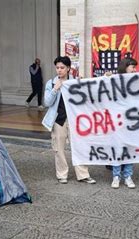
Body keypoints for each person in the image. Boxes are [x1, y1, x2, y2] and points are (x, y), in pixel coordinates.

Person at [42, 56, 96, 184]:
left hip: (74, 120)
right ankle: (62, 174)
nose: (59, 70)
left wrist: (81, 84)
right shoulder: (51, 83)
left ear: (68, 69)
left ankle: (83, 174)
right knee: (58, 148)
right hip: (58, 120)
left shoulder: (74, 82)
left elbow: (84, 98)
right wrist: (55, 89)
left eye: (62, 68)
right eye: (57, 67)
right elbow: (47, 102)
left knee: (78, 146)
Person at [111, 58, 138, 189]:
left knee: (129, 149)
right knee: (117, 148)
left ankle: (128, 176)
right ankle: (116, 176)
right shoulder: (114, 80)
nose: (134, 70)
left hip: (131, 122)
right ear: (125, 67)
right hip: (117, 121)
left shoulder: (136, 82)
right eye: (132, 67)